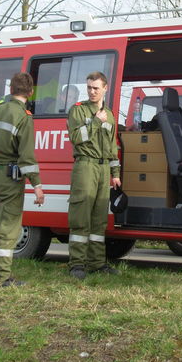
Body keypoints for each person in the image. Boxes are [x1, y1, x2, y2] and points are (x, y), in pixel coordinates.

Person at [0, 72, 45, 287]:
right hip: (11, 177)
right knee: (8, 227)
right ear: (31, 92)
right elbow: (27, 158)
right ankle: (1, 278)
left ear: (11, 90)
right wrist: (37, 185)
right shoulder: (23, 117)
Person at [66, 71, 121, 280]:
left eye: (96, 88)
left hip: (104, 169)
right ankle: (77, 264)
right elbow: (76, 138)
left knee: (99, 220)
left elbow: (112, 147)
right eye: (89, 87)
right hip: (85, 166)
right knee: (81, 217)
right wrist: (96, 122)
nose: (91, 91)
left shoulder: (111, 114)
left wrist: (115, 173)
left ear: (105, 88)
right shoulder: (78, 110)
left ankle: (97, 263)